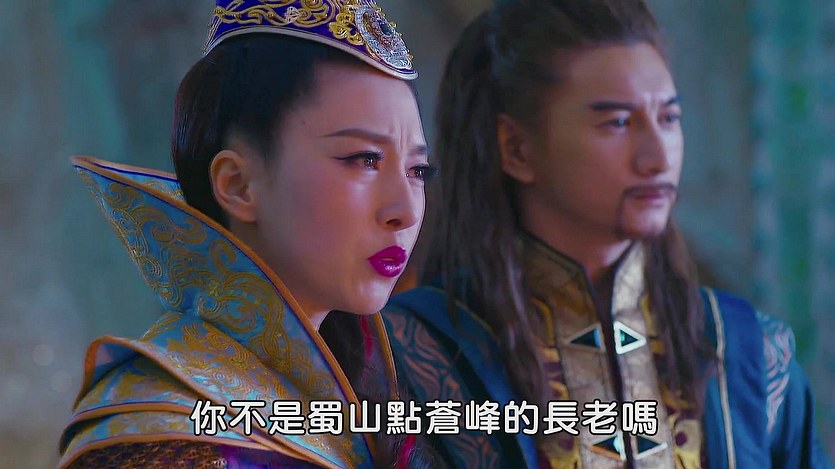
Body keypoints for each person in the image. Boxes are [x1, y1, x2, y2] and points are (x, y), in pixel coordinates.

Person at [383, 0, 833, 468]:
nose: (658, 157)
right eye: (617, 123)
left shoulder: (750, 351)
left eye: (669, 119)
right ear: (517, 149)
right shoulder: (415, 351)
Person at [58, 1, 436, 467]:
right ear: (238, 185)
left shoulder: (364, 401)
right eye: (363, 159)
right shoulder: (163, 435)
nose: (405, 210)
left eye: (418, 170)